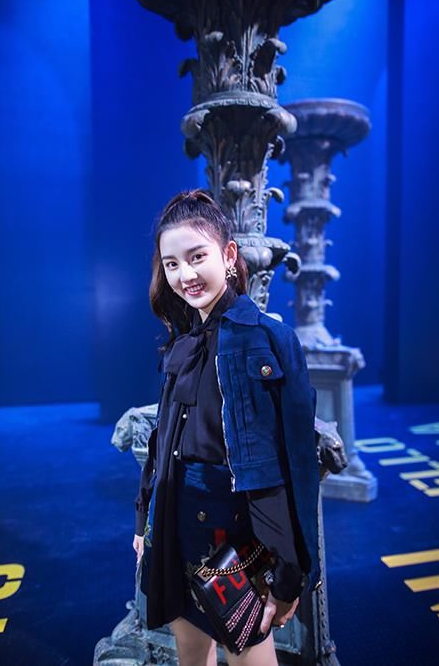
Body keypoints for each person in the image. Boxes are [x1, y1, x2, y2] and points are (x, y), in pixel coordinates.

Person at [132, 189, 320, 666]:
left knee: (250, 655)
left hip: (239, 538)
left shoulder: (269, 339)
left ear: (229, 255)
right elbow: (162, 442)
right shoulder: (182, 343)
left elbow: (294, 463)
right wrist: (145, 522)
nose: (185, 275)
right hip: (175, 527)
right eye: (171, 264)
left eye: (197, 257)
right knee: (190, 652)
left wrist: (291, 567)